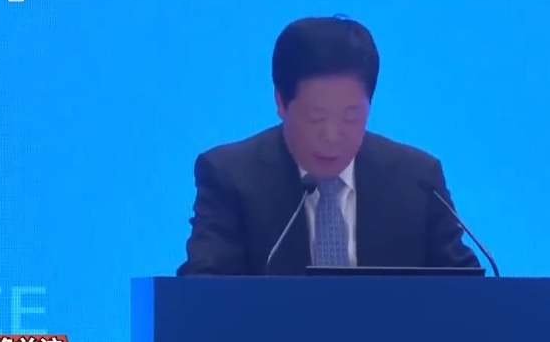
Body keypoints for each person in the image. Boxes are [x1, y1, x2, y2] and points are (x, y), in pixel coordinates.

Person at [176, 16, 480, 275]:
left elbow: (468, 294)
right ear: (280, 102)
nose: (332, 136)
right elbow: (204, 290)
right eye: (316, 118)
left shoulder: (417, 179)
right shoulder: (231, 177)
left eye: (350, 118)